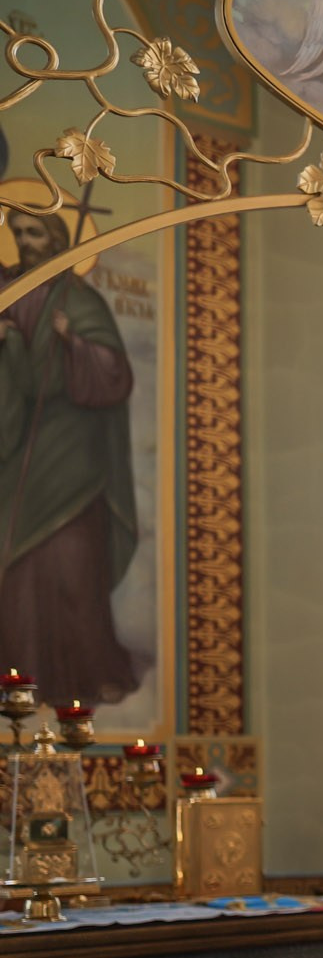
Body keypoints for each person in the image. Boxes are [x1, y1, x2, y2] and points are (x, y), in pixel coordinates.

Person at [0, 203, 137, 703]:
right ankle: (18, 676)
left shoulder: (79, 300)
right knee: (17, 565)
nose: (26, 242)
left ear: (56, 238)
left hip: (72, 455)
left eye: (35, 232)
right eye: (18, 232)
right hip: (15, 444)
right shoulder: (6, 292)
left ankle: (85, 674)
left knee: (72, 562)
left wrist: (73, 343)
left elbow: (114, 373)